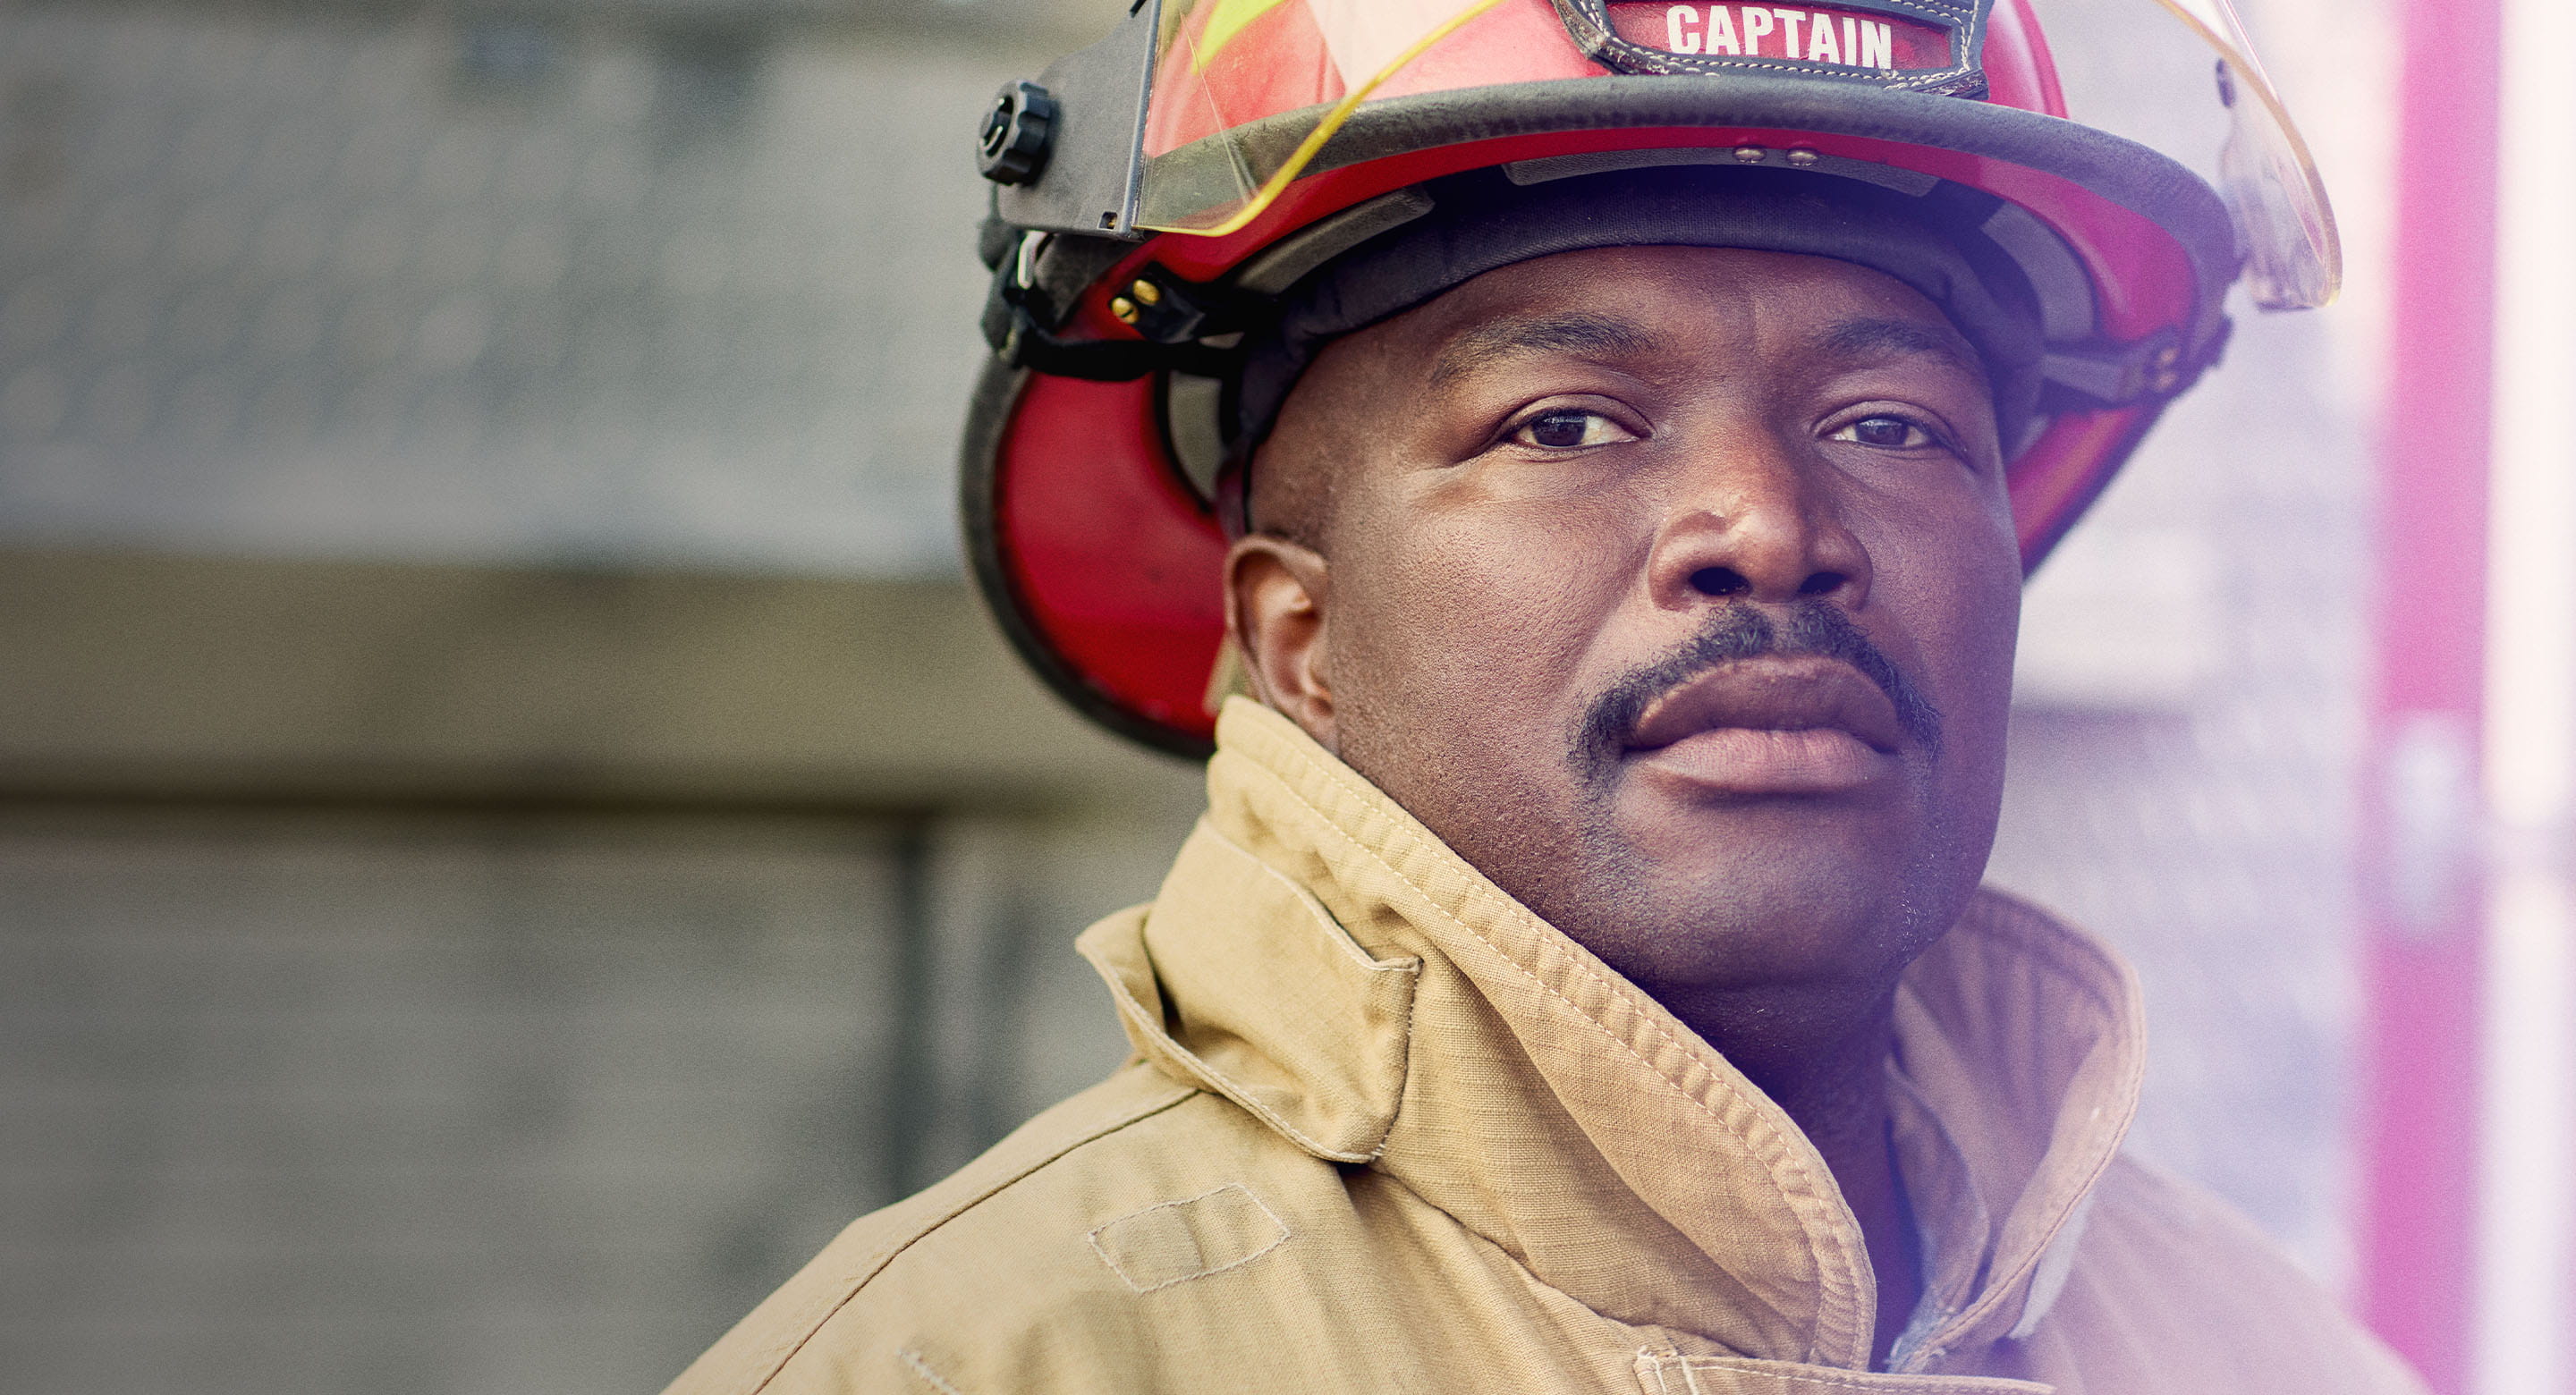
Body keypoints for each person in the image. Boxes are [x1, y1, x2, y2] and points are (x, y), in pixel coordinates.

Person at [668, 2, 2425, 1390]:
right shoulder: (974, 1367)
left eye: (1889, 426)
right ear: (1299, 643)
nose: (1769, 527)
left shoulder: (2262, 1356)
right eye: (1563, 424)